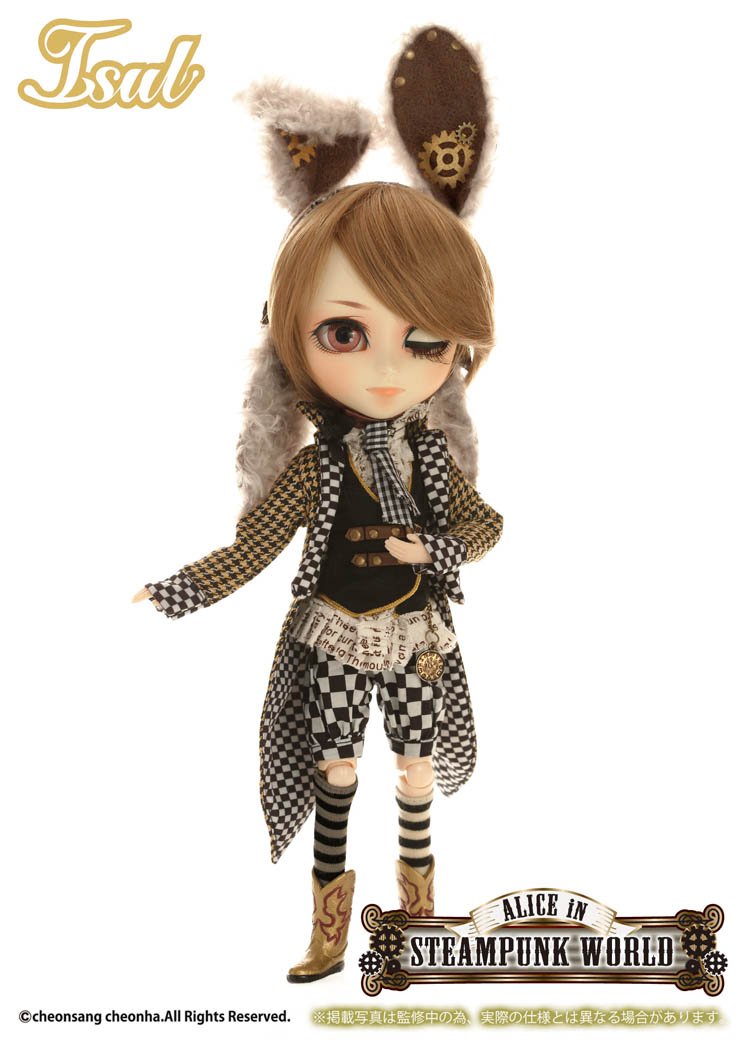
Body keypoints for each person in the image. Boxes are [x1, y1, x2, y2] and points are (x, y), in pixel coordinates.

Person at [133, 28, 502, 984]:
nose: (386, 368)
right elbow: (252, 548)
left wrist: (434, 555)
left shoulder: (430, 458)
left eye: (424, 340)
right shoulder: (315, 470)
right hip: (333, 633)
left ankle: (417, 927)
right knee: (336, 777)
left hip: (419, 635)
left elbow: (484, 526)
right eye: (344, 332)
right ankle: (329, 933)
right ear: (291, 335)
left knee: (416, 773)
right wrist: (178, 590)